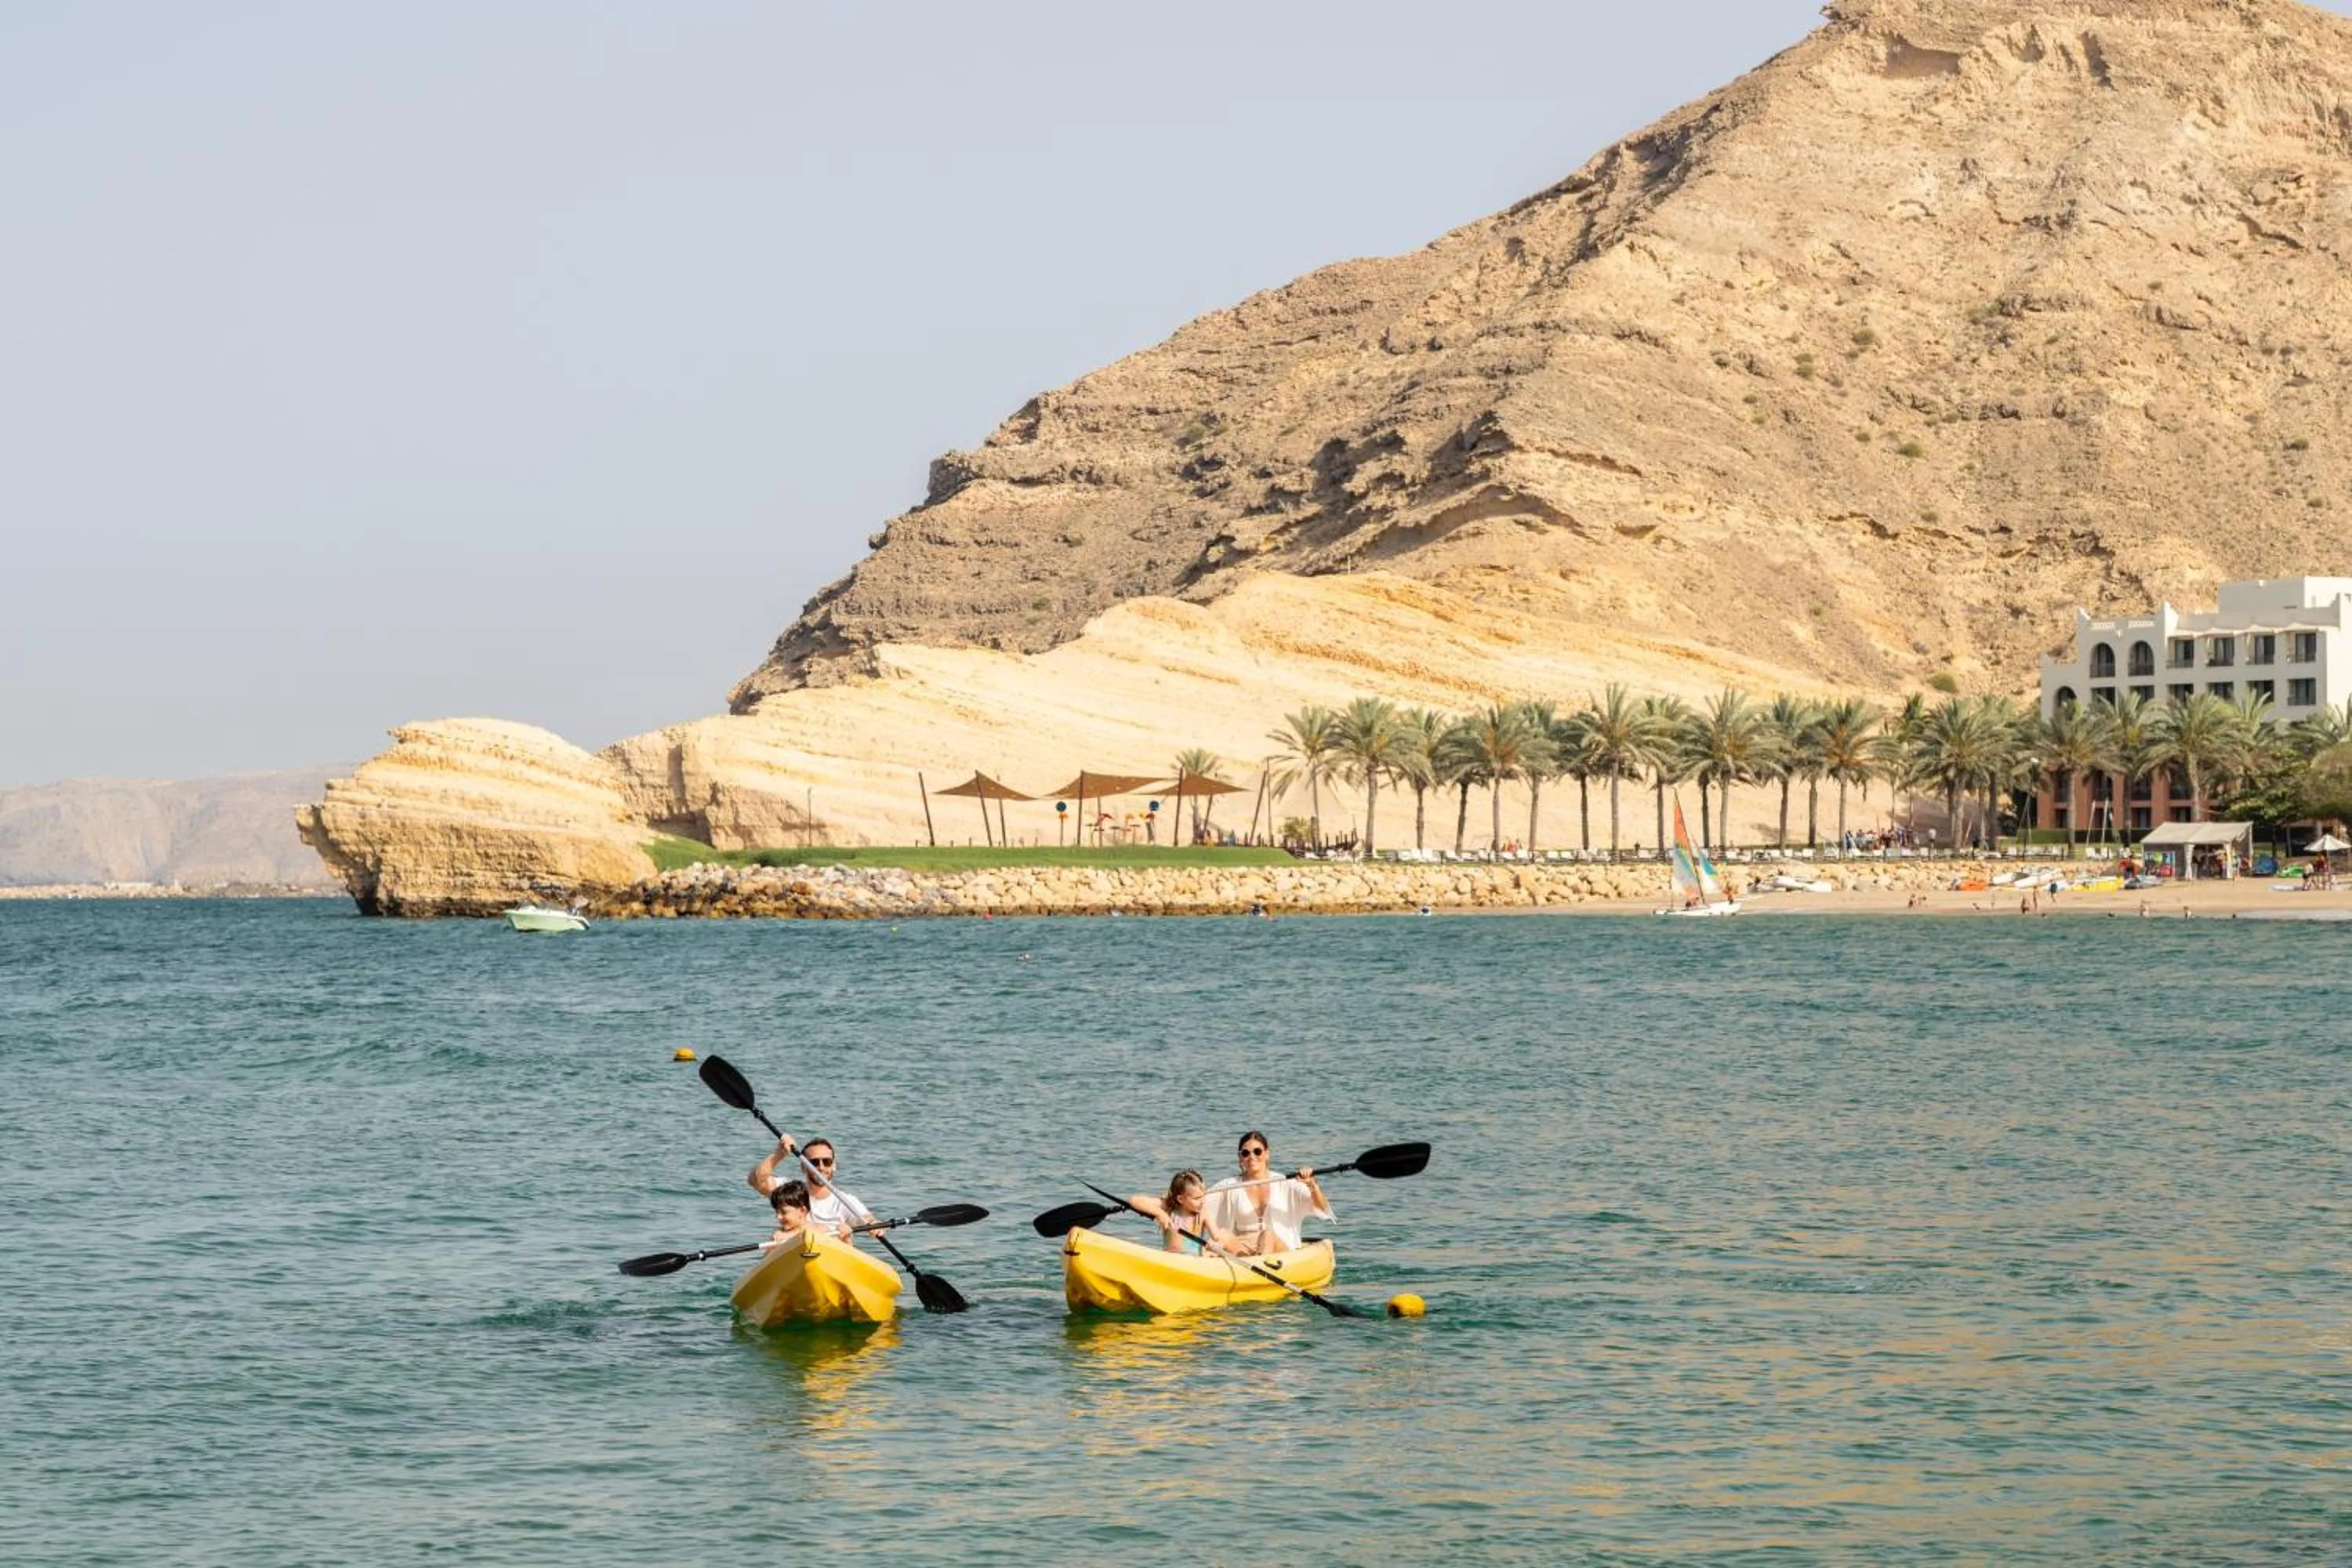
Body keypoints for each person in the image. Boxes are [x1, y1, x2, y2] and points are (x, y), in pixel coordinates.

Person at [1204, 1131, 1332, 1256]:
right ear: (1240, 1158)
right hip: (1244, 1250)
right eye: (1245, 1153)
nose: (1252, 1157)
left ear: (1267, 1154)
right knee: (1222, 1235)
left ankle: (1261, 1266)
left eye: (1257, 1152)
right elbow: (1198, 1202)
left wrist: (1312, 1186)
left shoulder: (1285, 1182)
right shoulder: (1229, 1186)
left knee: (1267, 1236)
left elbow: (1322, 1208)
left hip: (1278, 1248)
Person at [748, 1134, 876, 1241]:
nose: (821, 1167)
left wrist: (874, 1225)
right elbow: (756, 1181)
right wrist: (779, 1155)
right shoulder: (790, 1191)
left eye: (827, 1162)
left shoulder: (845, 1201)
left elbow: (867, 1218)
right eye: (814, 1163)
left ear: (834, 1166)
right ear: (803, 1167)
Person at [1127, 1168, 1240, 1254]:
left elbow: (1217, 1236)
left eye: (1203, 1196)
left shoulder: (1203, 1213)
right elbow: (1134, 1201)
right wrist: (1160, 1213)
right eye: (1197, 1198)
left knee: (1225, 1235)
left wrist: (1217, 1244)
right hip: (1170, 1260)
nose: (1202, 1201)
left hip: (1193, 1262)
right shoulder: (1169, 1208)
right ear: (1180, 1199)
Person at [760, 1179, 812, 1250]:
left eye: (784, 1212)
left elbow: (821, 1229)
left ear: (802, 1211)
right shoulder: (779, 1235)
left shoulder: (815, 1229)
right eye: (777, 1212)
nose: (778, 1217)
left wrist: (792, 1235)